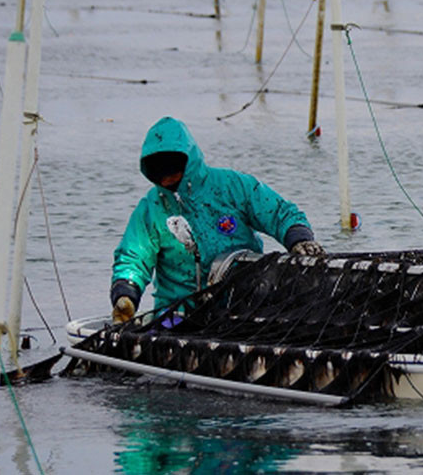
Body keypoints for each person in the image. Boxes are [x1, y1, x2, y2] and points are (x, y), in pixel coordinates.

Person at [111, 116, 325, 323]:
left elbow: (280, 213)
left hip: (244, 305)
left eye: (172, 170)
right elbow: (133, 257)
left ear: (187, 162)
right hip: (177, 312)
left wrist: (299, 239)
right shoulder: (151, 208)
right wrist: (126, 293)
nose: (166, 179)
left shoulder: (232, 186)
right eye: (158, 173)